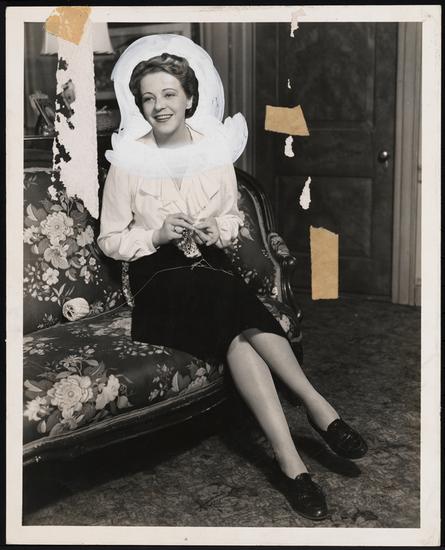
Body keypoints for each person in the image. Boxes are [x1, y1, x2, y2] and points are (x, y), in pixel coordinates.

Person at [98, 35, 367, 522]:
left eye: (169, 94)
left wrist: (213, 230)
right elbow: (110, 240)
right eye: (149, 98)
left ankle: (291, 464)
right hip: (157, 278)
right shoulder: (128, 162)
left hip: (209, 269)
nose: (160, 106)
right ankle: (317, 406)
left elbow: (229, 221)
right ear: (139, 105)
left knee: (236, 335)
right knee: (228, 301)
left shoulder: (213, 153)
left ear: (189, 98)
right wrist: (156, 233)